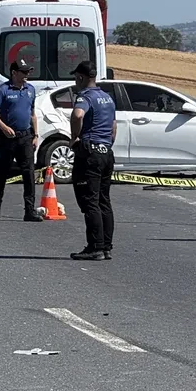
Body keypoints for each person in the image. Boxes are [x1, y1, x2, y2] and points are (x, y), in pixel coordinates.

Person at [69, 61, 116, 261]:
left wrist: (74, 136)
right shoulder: (107, 98)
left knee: (90, 202)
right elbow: (113, 126)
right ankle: (106, 246)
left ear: (81, 77)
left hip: (90, 153)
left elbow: (78, 115)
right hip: (106, 152)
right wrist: (107, 143)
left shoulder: (85, 97)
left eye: (76, 77)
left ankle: (94, 247)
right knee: (104, 200)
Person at [0, 59, 45, 222]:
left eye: (28, 71)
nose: (27, 74)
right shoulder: (3, 90)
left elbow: (32, 113)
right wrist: (4, 127)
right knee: (2, 174)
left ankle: (29, 210)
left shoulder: (30, 90)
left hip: (25, 137)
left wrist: (35, 135)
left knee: (28, 174)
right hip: (7, 139)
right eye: (23, 72)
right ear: (14, 73)